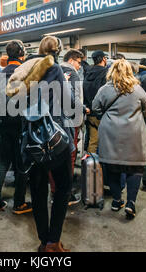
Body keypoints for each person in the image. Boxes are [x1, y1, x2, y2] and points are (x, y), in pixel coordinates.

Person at [6, 35, 75, 252]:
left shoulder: (26, 69)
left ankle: (43, 240)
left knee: (37, 191)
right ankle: (53, 242)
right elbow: (70, 103)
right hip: (54, 138)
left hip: (30, 139)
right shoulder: (54, 69)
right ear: (58, 50)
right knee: (63, 188)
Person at [92, 59, 146, 219]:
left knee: (112, 167)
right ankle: (131, 203)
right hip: (134, 132)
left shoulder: (104, 89)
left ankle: (117, 200)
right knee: (135, 168)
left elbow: (95, 107)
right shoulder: (137, 89)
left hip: (110, 132)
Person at [0, 40, 32, 216]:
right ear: (22, 54)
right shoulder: (26, 73)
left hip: (3, 124)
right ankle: (19, 203)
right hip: (21, 125)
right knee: (21, 164)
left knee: (3, 162)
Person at [60, 49, 88, 206]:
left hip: (55, 121)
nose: (79, 66)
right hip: (70, 121)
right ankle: (66, 191)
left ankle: (55, 188)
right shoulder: (73, 75)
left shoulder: (54, 71)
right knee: (70, 155)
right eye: (79, 62)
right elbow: (76, 100)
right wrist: (81, 117)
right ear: (71, 60)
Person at [83, 50, 108, 153]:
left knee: (93, 140)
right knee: (105, 141)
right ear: (103, 59)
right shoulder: (106, 73)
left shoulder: (88, 72)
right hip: (101, 112)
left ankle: (90, 165)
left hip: (89, 111)